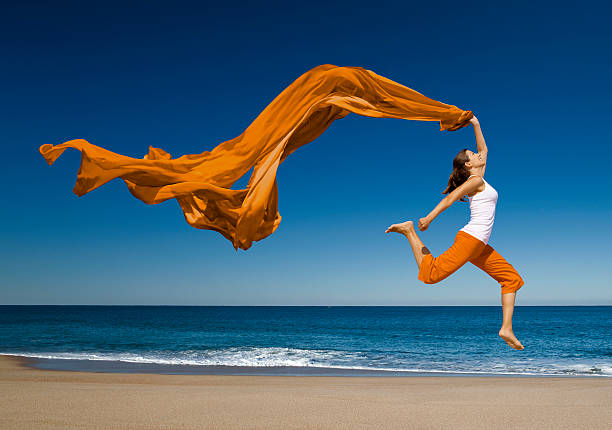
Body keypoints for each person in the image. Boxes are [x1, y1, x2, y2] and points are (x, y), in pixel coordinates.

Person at [385, 115, 525, 350]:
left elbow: (484, 148)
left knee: (512, 279)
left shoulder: (481, 176)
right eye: (473, 155)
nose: (479, 155)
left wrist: (475, 123)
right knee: (431, 276)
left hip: (479, 245)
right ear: (469, 165)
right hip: (470, 239)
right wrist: (429, 218)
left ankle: (506, 328)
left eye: (477, 154)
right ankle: (409, 230)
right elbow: (451, 197)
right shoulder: (475, 180)